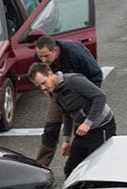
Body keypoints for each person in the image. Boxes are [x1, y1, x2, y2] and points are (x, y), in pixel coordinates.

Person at [28, 62, 116, 177]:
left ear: (50, 74)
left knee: (96, 168)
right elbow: (66, 113)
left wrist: (88, 123)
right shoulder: (55, 91)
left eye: (43, 83)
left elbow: (100, 96)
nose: (43, 88)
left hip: (101, 127)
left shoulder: (73, 81)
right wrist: (67, 140)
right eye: (39, 86)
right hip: (82, 130)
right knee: (71, 169)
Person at [34, 35, 103, 166]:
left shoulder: (75, 52)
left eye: (46, 56)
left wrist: (88, 99)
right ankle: (41, 166)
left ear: (55, 50)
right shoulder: (41, 57)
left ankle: (88, 165)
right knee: (50, 129)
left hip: (82, 92)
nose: (43, 60)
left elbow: (96, 74)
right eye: (40, 56)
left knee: (83, 130)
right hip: (58, 93)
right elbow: (40, 75)